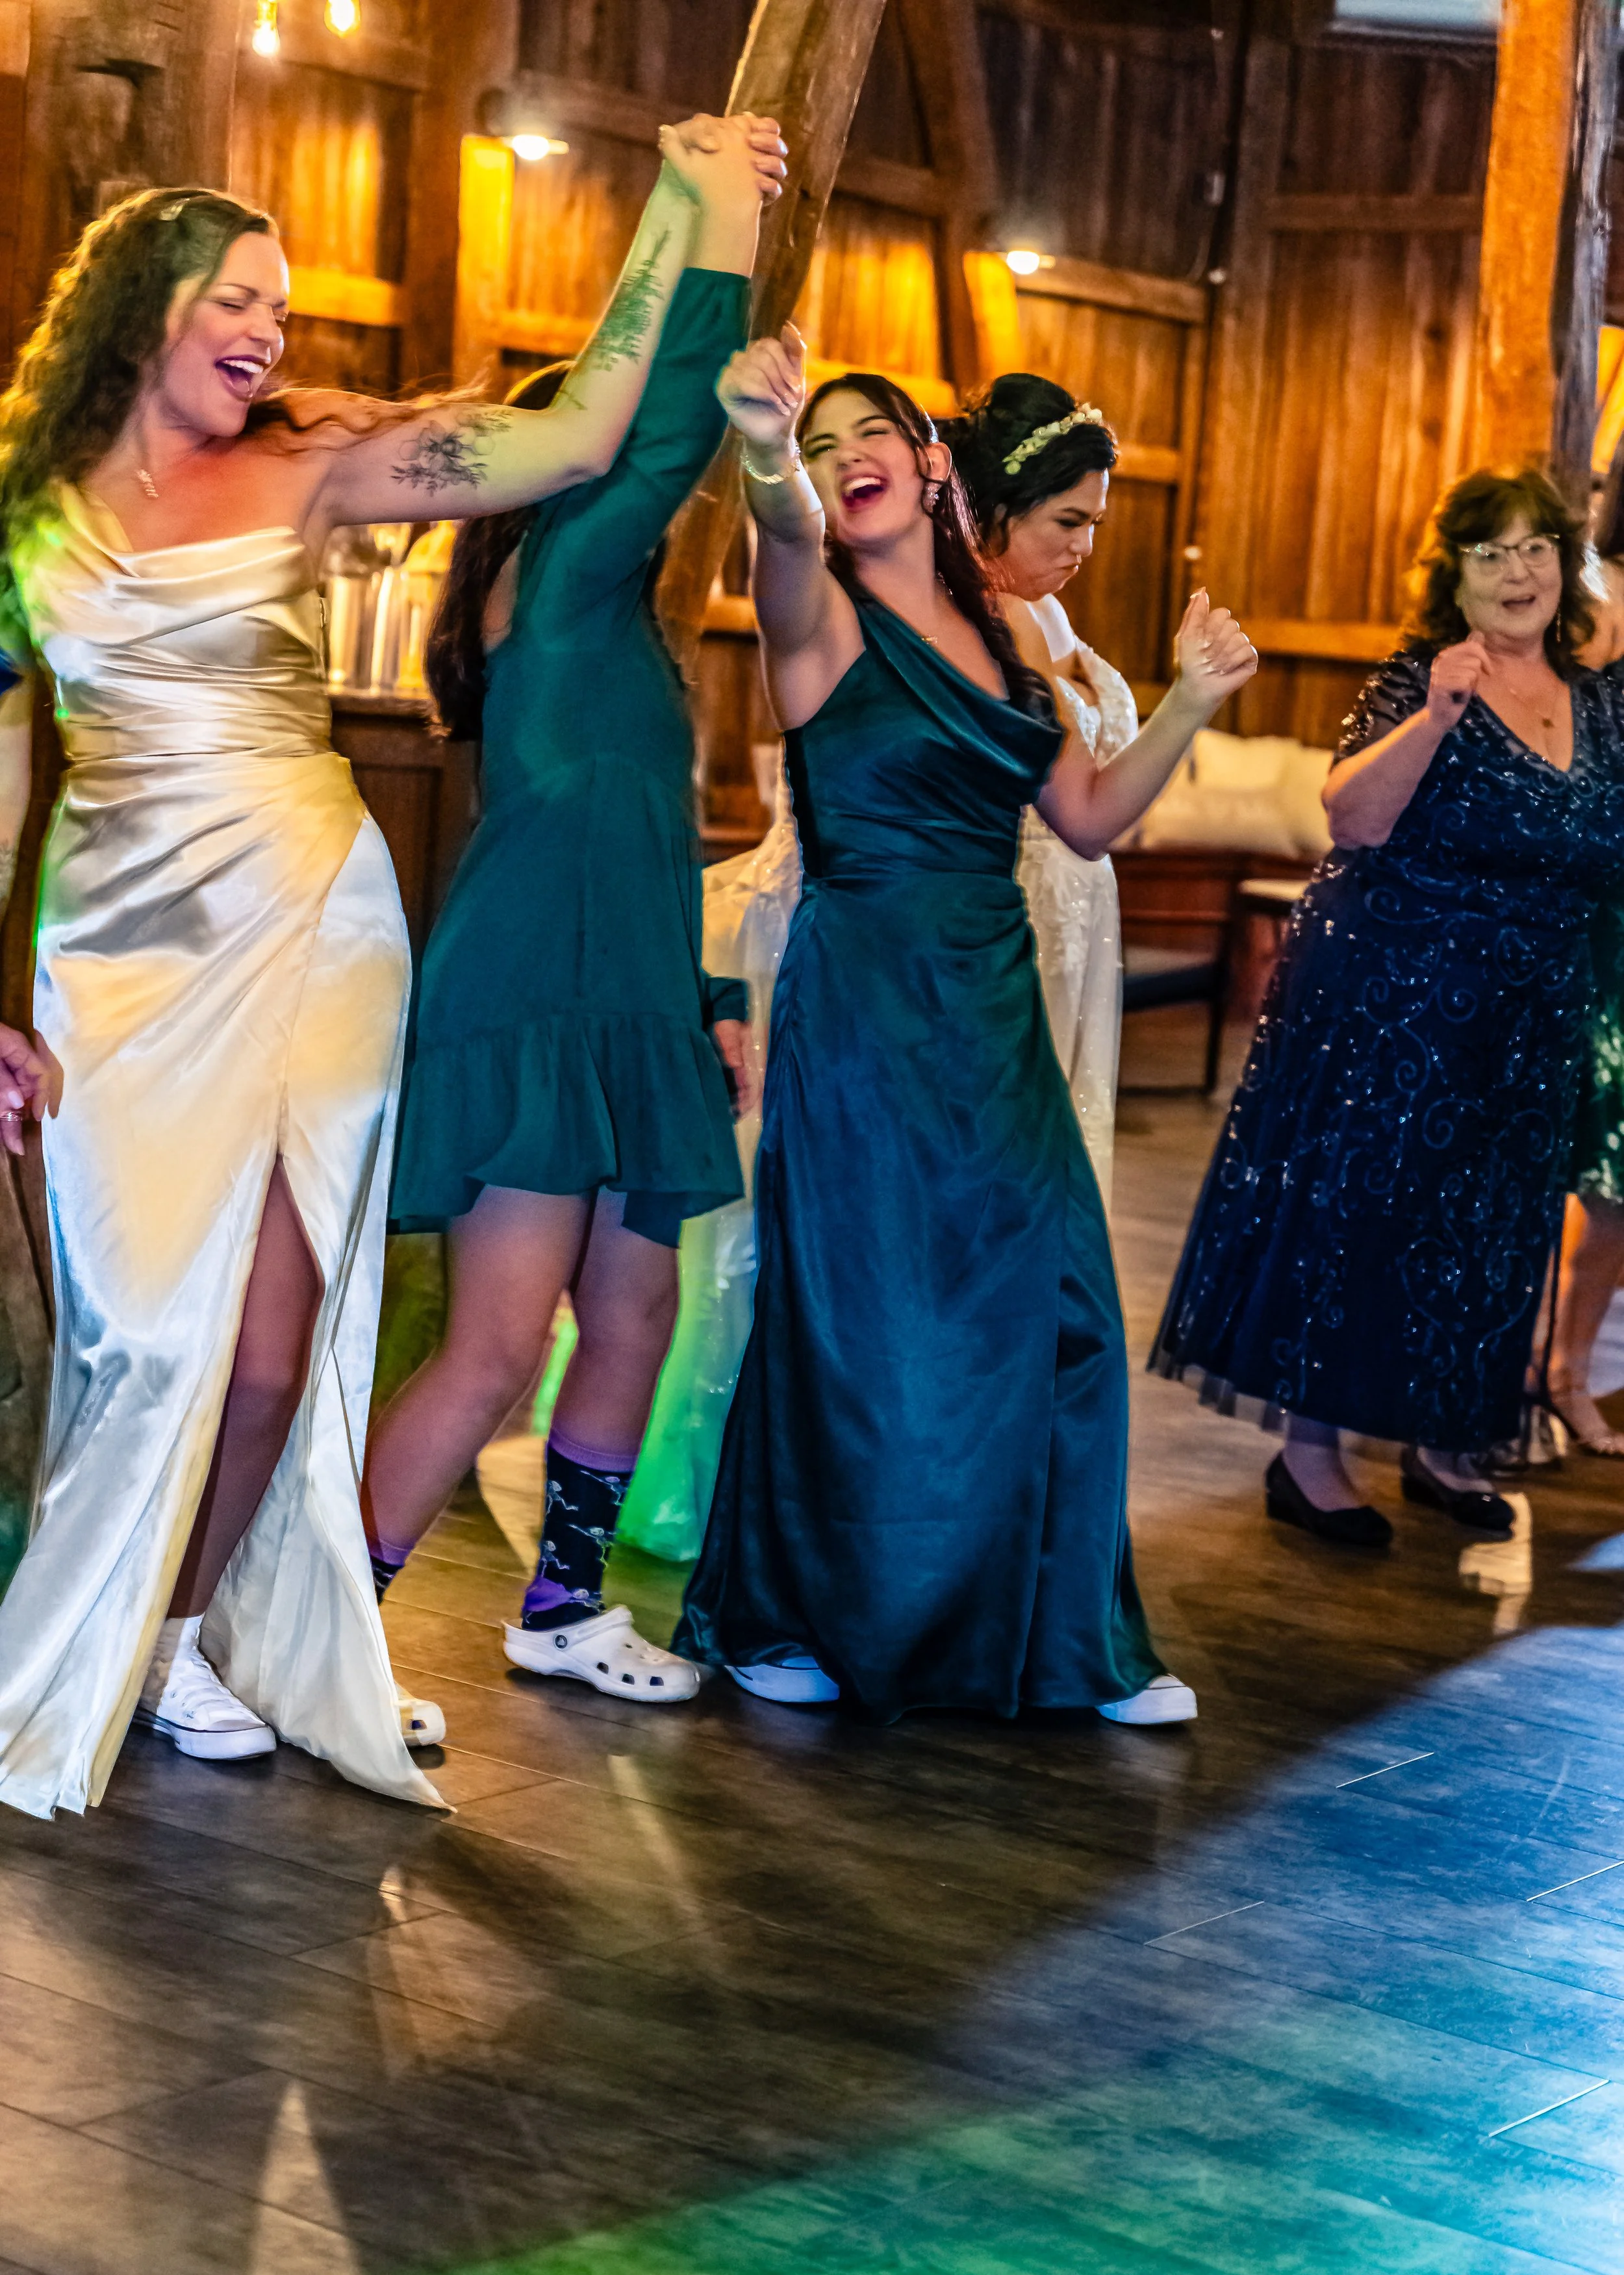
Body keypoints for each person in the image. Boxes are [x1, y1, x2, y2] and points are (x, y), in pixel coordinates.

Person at [0, 119, 785, 1820]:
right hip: (117, 947)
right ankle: (95, 1615)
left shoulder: (312, 459)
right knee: (139, 1332)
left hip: (313, 910)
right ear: (143, 306)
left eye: (282, 307)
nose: (270, 332)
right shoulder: (30, 517)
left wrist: (679, 210)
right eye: (239, 298)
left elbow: (583, 428)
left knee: (276, 1352)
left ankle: (192, 1628)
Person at [672, 336, 1256, 1721]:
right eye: (821, 447)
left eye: (865, 433)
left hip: (987, 994)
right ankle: (786, 1614)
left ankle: (1067, 1635)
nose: (841, 456)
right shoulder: (812, 612)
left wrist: (1191, 695)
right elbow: (775, 529)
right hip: (861, 995)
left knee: (1053, 1298)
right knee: (857, 1313)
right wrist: (764, 449)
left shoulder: (999, 647)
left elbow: (1093, 818)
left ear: (931, 465)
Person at [362, 138, 780, 1706]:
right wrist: (718, 215)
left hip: (623, 997)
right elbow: (668, 421)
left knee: (638, 1304)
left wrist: (701, 996)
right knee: (493, 1344)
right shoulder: (555, 574)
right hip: (534, 993)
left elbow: (636, 851)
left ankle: (561, 1601)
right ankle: (334, 1625)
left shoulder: (602, 615)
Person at [1152, 466, 1624, 1545]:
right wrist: (1442, 716)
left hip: (1532, 1010)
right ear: (1453, 576)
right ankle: (1310, 1458)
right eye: (1490, 552)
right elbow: (1350, 820)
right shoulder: (1420, 680)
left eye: (1536, 548)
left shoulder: (1603, 703)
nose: (1518, 571)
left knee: (1490, 1229)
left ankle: (1447, 1444)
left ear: (1567, 564)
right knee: (1363, 1216)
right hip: (1393, 996)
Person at [943, 373, 1132, 1203]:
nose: (1083, 547)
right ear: (996, 508)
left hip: (1070, 917)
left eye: (1093, 524)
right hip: (1018, 914)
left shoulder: (1043, 612)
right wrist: (1191, 700)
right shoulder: (989, 615)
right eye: (1067, 522)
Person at [1541, 455, 1624, 1456]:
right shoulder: (1600, 597)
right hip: (1599, 915)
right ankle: (1556, 1364)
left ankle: (1559, 1360)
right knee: (1603, 1177)